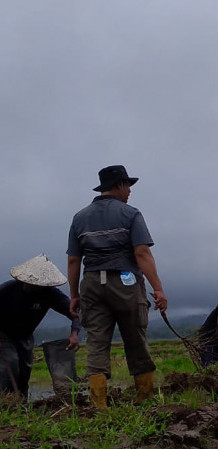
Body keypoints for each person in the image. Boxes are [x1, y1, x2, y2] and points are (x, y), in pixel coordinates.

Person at [67, 165, 168, 409]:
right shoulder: (131, 214)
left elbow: (73, 260)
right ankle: (144, 400)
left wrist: (74, 295)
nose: (130, 191)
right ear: (120, 186)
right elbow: (142, 253)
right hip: (125, 281)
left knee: (97, 342)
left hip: (91, 283)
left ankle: (99, 407)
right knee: (135, 338)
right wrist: (158, 289)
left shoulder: (80, 217)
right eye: (128, 186)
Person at [0, 255, 80, 398]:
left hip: (25, 335)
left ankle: (22, 402)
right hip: (3, 334)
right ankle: (6, 402)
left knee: (25, 371)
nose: (37, 288)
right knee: (9, 367)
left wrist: (74, 334)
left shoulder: (50, 294)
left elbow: (75, 314)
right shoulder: (7, 291)